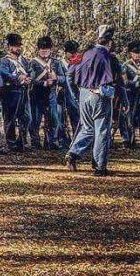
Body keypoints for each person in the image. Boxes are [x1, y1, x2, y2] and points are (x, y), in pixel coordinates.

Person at [65, 25, 125, 176]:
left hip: (83, 95)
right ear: (110, 42)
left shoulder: (83, 53)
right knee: (102, 131)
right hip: (100, 95)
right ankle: (100, 167)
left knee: (87, 128)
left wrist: (75, 95)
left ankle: (72, 154)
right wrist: (123, 101)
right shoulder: (109, 57)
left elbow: (69, 75)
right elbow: (118, 82)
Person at [28, 36, 66, 149]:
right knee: (35, 120)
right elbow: (30, 79)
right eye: (42, 50)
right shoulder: (33, 63)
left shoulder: (56, 62)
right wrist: (43, 83)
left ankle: (52, 141)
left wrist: (56, 78)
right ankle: (35, 142)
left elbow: (64, 78)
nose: (44, 52)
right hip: (37, 94)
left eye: (46, 50)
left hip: (51, 94)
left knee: (54, 119)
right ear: (38, 50)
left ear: (50, 50)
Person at [0, 33, 31, 152]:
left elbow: (29, 71)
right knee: (10, 118)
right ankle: (11, 143)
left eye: (19, 46)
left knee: (26, 117)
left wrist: (28, 78)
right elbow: (5, 74)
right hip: (10, 92)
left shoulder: (24, 61)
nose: (18, 48)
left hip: (23, 91)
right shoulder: (5, 61)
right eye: (16, 46)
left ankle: (21, 141)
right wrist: (19, 78)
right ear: (10, 47)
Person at [60, 40, 82, 141]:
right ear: (66, 52)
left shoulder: (79, 64)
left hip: (74, 95)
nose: (73, 55)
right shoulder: (59, 63)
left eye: (75, 52)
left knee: (76, 118)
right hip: (60, 95)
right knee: (61, 118)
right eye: (71, 52)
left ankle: (77, 139)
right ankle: (63, 139)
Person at [120, 41, 140, 148]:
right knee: (129, 118)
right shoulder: (126, 66)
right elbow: (125, 82)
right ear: (131, 53)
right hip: (130, 95)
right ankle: (128, 140)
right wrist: (136, 83)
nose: (138, 55)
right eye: (136, 53)